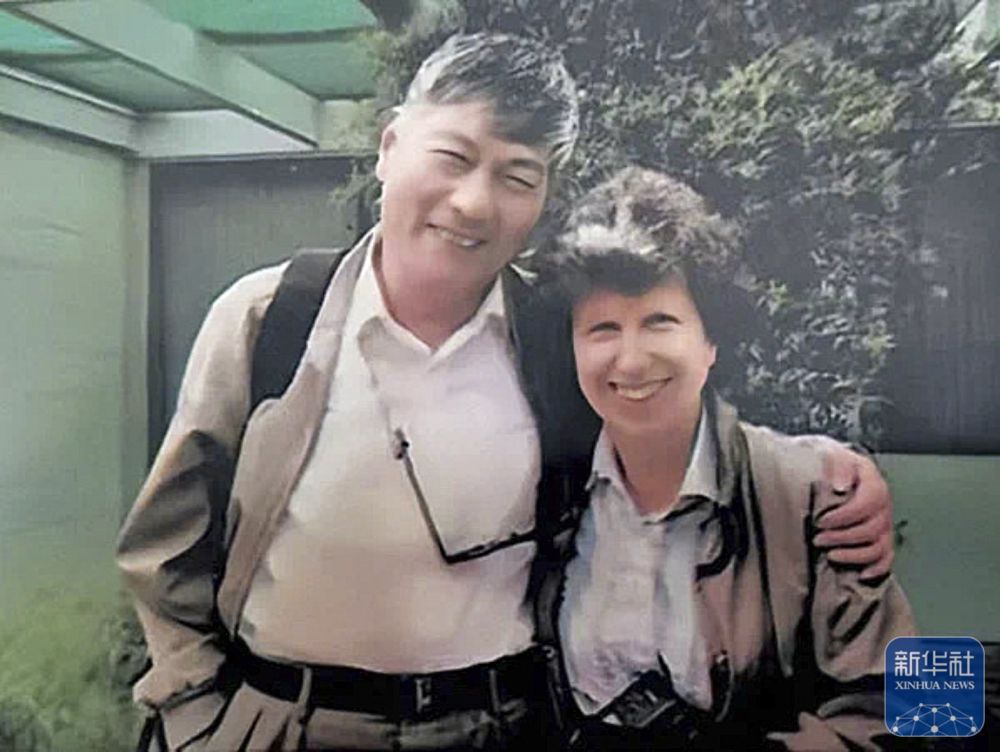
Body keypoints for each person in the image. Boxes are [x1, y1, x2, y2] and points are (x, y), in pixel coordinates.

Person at [116, 33, 896, 752]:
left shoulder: (555, 338)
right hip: (282, 721)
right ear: (389, 147)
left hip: (497, 726)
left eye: (517, 177)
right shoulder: (270, 318)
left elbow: (669, 427)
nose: (473, 203)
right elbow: (165, 545)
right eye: (452, 157)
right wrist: (193, 713)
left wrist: (828, 474)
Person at [532, 166, 915, 750]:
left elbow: (927, 708)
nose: (630, 360)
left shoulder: (816, 494)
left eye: (659, 322)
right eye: (603, 329)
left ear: (712, 341)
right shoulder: (550, 489)